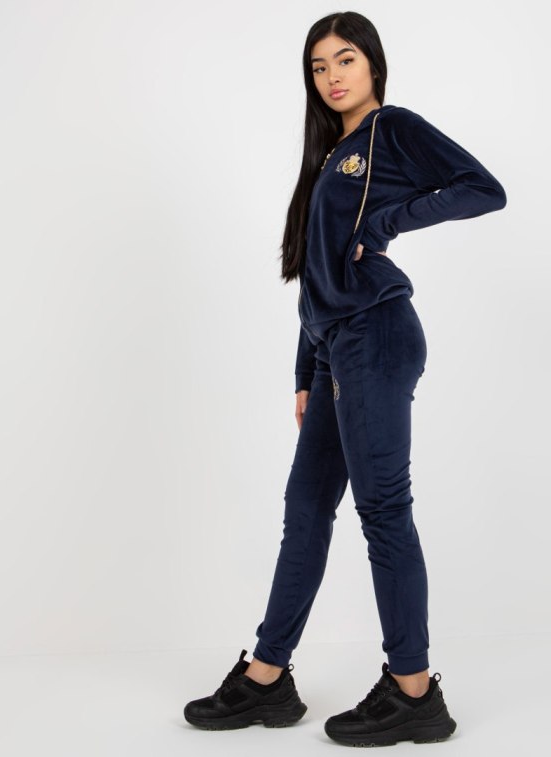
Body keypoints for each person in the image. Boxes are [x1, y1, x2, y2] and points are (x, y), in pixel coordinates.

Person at [184, 10, 506, 747]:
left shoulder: (392, 129)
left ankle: (414, 690)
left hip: (378, 335)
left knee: (383, 509)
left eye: (345, 60)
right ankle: (267, 677)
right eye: (319, 66)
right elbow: (316, 276)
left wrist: (388, 220)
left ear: (373, 65)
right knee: (306, 508)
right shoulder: (330, 155)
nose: (332, 76)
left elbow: (483, 188)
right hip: (336, 345)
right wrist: (305, 370)